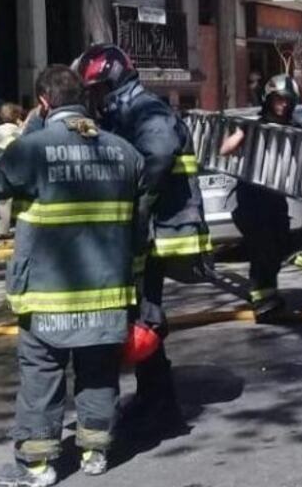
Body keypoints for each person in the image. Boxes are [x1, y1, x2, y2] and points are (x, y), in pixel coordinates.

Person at [0, 66, 145, 486]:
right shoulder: (125, 152)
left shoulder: (32, 148)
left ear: (43, 102)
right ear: (87, 99)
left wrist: (22, 134)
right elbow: (140, 222)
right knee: (98, 373)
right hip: (107, 294)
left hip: (47, 296)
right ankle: (95, 452)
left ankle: (36, 467)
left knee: (42, 377)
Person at [72, 43, 212, 436]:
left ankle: (163, 409)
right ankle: (155, 399)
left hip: (160, 231)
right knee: (142, 313)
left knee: (146, 315)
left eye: (97, 89)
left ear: (112, 80)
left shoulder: (144, 108)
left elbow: (160, 152)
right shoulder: (124, 110)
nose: (94, 97)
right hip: (149, 231)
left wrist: (135, 203)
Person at [220, 74, 301, 317]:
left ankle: (269, 292)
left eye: (287, 101)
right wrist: (241, 135)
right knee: (262, 246)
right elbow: (226, 149)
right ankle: (262, 298)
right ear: (268, 100)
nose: (283, 105)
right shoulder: (251, 126)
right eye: (278, 100)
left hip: (276, 197)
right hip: (252, 198)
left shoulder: (295, 131)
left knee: (278, 244)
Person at [0, 102, 25, 238]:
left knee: (1, 200)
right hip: (12, 167)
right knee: (8, 200)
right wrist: (21, 124)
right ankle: (3, 231)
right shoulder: (17, 129)